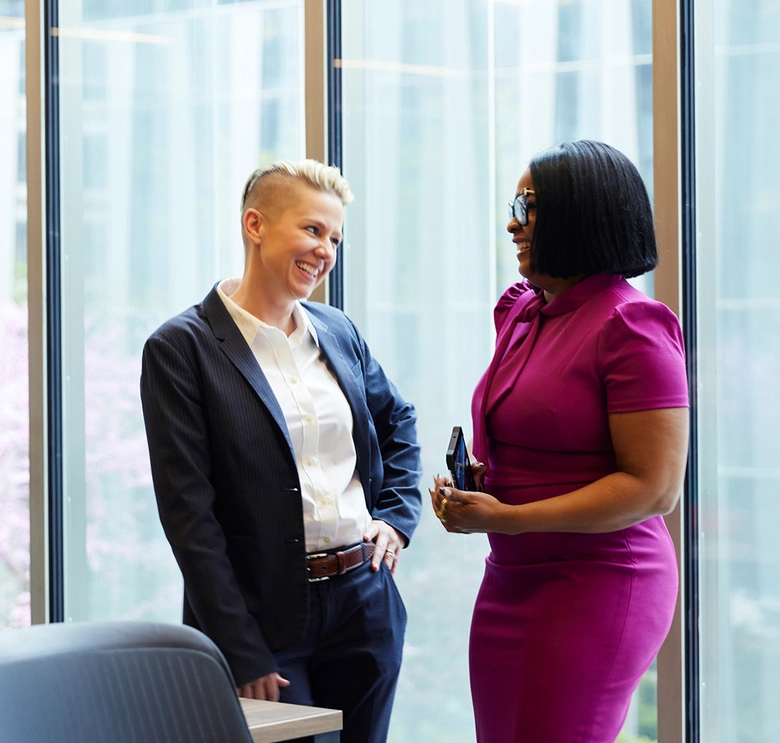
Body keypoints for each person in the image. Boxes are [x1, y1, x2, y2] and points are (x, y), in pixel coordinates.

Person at [141, 160, 421, 743]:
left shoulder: (337, 330)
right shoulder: (180, 348)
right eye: (313, 230)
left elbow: (398, 421)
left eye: (335, 238)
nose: (326, 251)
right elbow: (190, 518)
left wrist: (395, 519)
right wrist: (238, 647)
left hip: (364, 602)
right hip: (262, 620)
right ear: (256, 225)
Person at [430, 140, 689, 743]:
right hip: (510, 575)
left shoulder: (631, 325)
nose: (512, 223)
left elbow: (655, 488)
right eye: (514, 206)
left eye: (528, 206)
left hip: (597, 581)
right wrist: (480, 486)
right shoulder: (523, 312)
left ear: (580, 213)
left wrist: (510, 517)